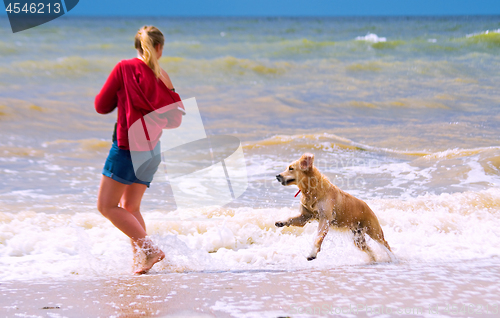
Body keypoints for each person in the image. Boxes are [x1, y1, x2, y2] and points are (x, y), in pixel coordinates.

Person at [95, 26, 184, 275]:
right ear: (159, 48)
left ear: (138, 46)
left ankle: (150, 250)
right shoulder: (163, 76)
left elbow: (101, 106)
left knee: (106, 207)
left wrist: (119, 98)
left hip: (126, 148)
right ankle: (141, 262)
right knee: (131, 208)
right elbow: (176, 120)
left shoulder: (124, 68)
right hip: (152, 150)